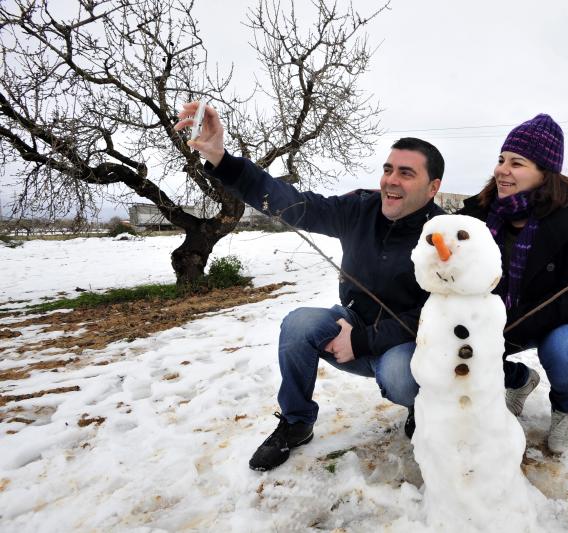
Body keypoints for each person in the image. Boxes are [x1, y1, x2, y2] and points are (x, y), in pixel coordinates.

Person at [175, 102, 444, 471]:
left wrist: (362, 341)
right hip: (353, 322)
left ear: (433, 187)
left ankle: (421, 406)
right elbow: (293, 203)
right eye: (388, 169)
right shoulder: (360, 209)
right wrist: (222, 160)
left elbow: (439, 317)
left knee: (400, 375)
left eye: (406, 173)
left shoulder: (446, 237)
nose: (391, 180)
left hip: (408, 343)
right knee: (299, 324)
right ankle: (297, 422)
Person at [458, 114, 568, 455]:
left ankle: (565, 408)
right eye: (501, 160)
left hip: (558, 318)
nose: (502, 170)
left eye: (517, 163)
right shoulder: (478, 213)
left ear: (544, 172)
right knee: (451, 341)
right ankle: (518, 380)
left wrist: (505, 326)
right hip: (494, 317)